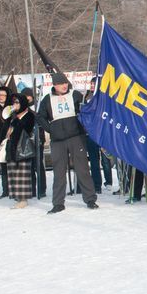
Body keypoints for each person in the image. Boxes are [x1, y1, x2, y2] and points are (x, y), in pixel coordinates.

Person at [36, 72, 99, 213]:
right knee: (59, 172)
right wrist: (50, 129)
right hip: (58, 140)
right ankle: (58, 203)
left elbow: (86, 110)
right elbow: (40, 117)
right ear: (54, 85)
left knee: (82, 169)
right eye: (60, 84)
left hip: (76, 137)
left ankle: (90, 199)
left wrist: (83, 123)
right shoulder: (47, 99)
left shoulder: (75, 95)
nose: (64, 86)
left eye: (65, 83)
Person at [5, 93, 35, 209]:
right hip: (12, 147)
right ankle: (16, 196)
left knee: (22, 173)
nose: (15, 105)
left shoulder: (29, 115)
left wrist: (16, 119)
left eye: (17, 102)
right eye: (14, 102)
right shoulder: (13, 116)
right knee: (13, 172)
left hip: (23, 148)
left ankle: (23, 198)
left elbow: (23, 129)